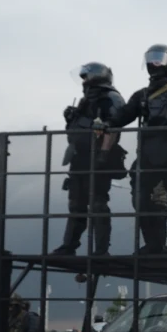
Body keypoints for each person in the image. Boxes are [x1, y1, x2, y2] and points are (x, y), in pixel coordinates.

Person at [94, 44, 167, 254]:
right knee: (140, 197)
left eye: (158, 58)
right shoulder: (142, 95)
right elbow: (124, 115)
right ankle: (154, 244)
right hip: (149, 152)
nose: (153, 63)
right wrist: (107, 123)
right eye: (150, 58)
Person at [52, 62, 127, 256]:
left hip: (99, 157)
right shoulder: (86, 100)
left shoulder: (111, 97)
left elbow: (114, 126)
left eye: (86, 77)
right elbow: (78, 129)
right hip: (79, 157)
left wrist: (103, 154)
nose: (84, 81)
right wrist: (70, 117)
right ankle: (69, 246)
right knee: (76, 204)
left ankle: (101, 250)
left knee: (98, 204)